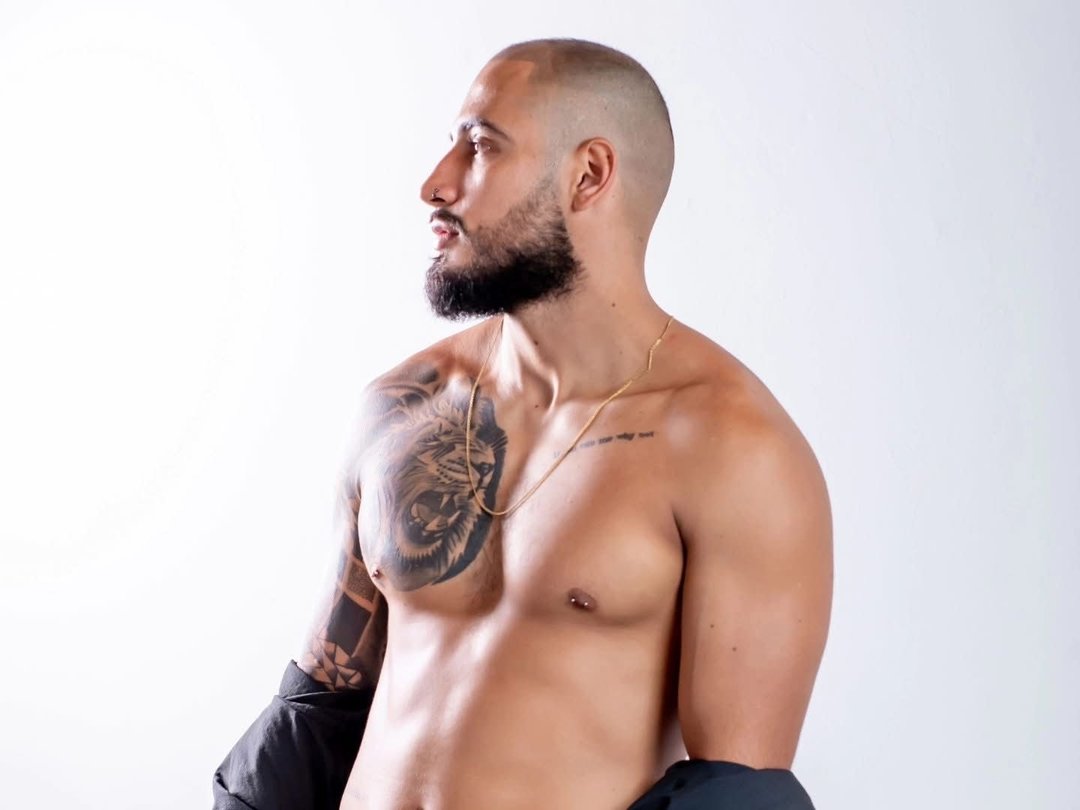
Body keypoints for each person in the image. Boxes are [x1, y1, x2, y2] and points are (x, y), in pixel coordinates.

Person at [213, 37, 832, 810]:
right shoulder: (404, 406)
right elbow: (317, 710)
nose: (435, 184)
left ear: (588, 175)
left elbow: (732, 796)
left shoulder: (732, 449)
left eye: (480, 148)